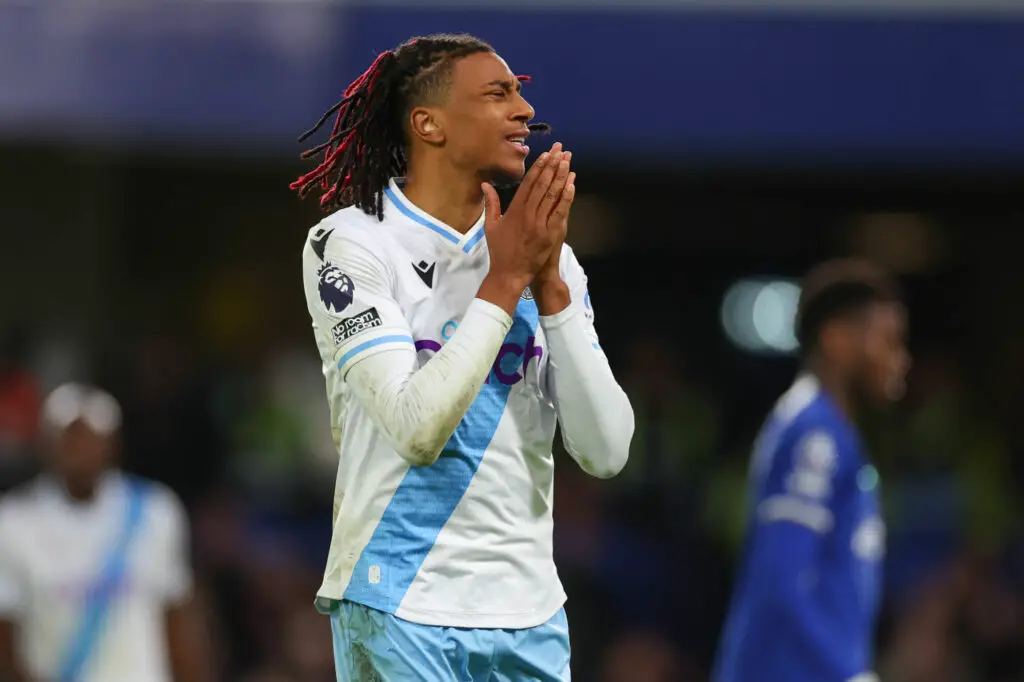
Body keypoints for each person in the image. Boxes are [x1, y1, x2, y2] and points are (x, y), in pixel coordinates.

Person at [292, 33, 634, 681]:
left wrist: (550, 289)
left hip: (529, 611)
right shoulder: (351, 243)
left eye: (519, 95)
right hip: (400, 598)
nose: (524, 111)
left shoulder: (549, 259)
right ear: (429, 124)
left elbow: (606, 451)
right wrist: (505, 281)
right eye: (497, 94)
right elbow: (415, 430)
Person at [713, 259, 911, 682]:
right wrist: (847, 673)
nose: (901, 360)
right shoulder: (813, 434)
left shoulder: (835, 433)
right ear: (837, 340)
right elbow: (782, 578)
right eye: (888, 341)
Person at [0, 383, 209, 682]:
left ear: (113, 443)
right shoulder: (15, 521)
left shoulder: (154, 512)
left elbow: (177, 617)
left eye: (90, 437)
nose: (79, 448)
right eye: (69, 436)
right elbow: (6, 635)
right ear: (46, 443)